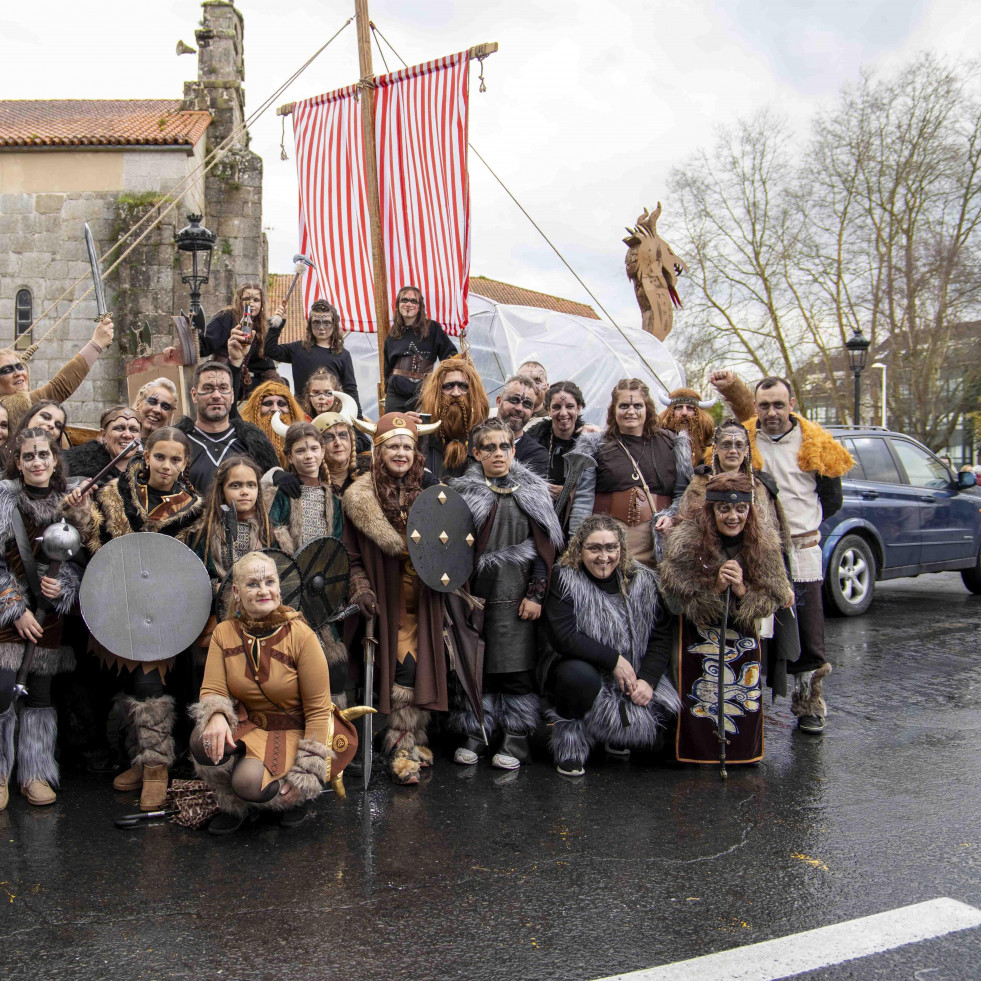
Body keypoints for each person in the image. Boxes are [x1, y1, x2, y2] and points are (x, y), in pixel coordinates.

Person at [711, 372, 852, 733]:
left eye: (778, 404)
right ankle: (748, 700)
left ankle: (809, 703)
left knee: (807, 629)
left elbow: (832, 499)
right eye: (764, 406)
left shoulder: (816, 443)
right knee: (759, 626)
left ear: (792, 405)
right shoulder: (746, 441)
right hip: (758, 549)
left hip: (802, 549)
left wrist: (801, 524)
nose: (771, 412)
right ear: (755, 408)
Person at [82, 427, 204, 810]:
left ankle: (156, 767)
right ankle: (139, 758)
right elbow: (94, 546)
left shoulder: (194, 508)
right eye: (160, 457)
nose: (166, 466)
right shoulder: (114, 496)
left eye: (175, 459)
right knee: (124, 686)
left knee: (149, 686)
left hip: (164, 612)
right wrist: (79, 511)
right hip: (118, 606)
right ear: (146, 456)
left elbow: (193, 567)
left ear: (185, 464)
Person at [189, 551, 338, 834]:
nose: (263, 590)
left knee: (248, 782)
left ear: (279, 589)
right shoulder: (224, 632)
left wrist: (306, 772)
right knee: (201, 740)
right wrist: (217, 715)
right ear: (236, 591)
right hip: (251, 723)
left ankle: (292, 799)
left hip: (291, 728)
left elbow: (319, 709)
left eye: (269, 581)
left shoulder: (302, 635)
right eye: (252, 584)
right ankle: (234, 805)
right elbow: (213, 687)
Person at [450, 419, 564, 770]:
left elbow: (546, 551)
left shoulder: (532, 492)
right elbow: (451, 549)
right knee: (479, 666)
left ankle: (515, 738)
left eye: (504, 447)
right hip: (477, 597)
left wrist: (537, 594)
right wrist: (461, 596)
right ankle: (477, 730)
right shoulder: (463, 494)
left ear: (514, 450)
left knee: (515, 670)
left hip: (519, 597)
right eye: (489, 448)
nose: (498, 453)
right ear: (476, 453)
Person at [659, 472, 794, 765]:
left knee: (740, 695)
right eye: (724, 509)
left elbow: (773, 597)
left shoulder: (765, 541)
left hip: (743, 641)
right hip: (697, 639)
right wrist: (715, 588)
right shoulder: (686, 540)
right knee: (702, 699)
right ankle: (698, 754)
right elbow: (674, 596)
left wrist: (743, 591)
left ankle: (741, 754)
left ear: (750, 509)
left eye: (740, 509)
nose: (733, 516)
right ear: (711, 510)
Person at [343, 412, 444, 785]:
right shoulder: (359, 497)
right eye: (393, 446)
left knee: (425, 668)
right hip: (389, 599)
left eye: (407, 446)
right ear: (378, 450)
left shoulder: (432, 493)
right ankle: (402, 750)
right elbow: (352, 557)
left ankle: (416, 737)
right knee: (405, 669)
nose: (400, 452)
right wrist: (362, 588)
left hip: (428, 597)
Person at [541, 515, 680, 776]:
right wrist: (613, 660)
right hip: (584, 667)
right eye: (594, 548)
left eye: (610, 548)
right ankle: (572, 746)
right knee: (576, 678)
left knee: (669, 718)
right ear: (579, 549)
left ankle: (617, 735)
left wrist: (647, 681)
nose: (603, 557)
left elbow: (661, 636)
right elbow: (564, 636)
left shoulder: (645, 582)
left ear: (621, 549)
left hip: (634, 672)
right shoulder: (564, 579)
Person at [0, 428, 86, 808]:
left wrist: (64, 585)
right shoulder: (3, 500)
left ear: (55, 461)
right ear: (18, 464)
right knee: (2, 692)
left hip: (49, 615)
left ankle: (34, 772)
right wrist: (14, 609)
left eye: (43, 456)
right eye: (28, 457)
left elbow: (84, 561)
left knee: (39, 694)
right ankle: (1, 773)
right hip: (6, 616)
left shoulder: (72, 503)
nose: (37, 462)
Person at [264, 422, 348, 704]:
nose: (308, 455)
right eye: (300, 450)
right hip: (290, 590)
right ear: (289, 456)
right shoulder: (284, 493)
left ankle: (335, 729)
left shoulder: (332, 497)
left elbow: (335, 544)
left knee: (334, 664)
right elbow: (273, 530)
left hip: (323, 591)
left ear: (323, 451)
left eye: (314, 448)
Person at [568, 378, 692, 567]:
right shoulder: (596, 446)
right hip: (605, 555)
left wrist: (673, 517)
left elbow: (684, 495)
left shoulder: (671, 444)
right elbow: (583, 501)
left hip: (658, 551)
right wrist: (577, 547)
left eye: (637, 405)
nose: (631, 411)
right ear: (613, 410)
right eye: (624, 405)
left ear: (648, 408)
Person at [175, 361, 278, 493]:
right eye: (207, 388)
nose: (217, 395)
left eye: (223, 388)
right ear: (194, 395)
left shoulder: (254, 444)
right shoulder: (178, 443)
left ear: (232, 395)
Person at [189, 454, 275, 611]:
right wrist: (220, 588)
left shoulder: (268, 531)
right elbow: (193, 581)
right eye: (235, 485)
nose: (244, 492)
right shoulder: (204, 534)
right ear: (222, 489)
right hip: (219, 613)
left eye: (251, 485)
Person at [0, 316, 114, 430]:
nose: (18, 373)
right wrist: (96, 344)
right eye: (7, 370)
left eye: (20, 367)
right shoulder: (14, 405)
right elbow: (59, 387)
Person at [264, 298, 363, 415]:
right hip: (303, 414)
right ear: (310, 325)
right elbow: (270, 350)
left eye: (326, 323)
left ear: (334, 324)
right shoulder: (298, 349)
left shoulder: (342, 355)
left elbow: (350, 389)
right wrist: (278, 322)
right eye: (316, 323)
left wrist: (357, 419)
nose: (321, 328)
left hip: (333, 415)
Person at [382, 285, 457, 413]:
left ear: (420, 306)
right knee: (393, 430)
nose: (408, 304)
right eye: (404, 300)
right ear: (398, 305)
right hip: (396, 394)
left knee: (425, 431)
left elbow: (451, 355)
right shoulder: (392, 335)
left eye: (413, 301)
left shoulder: (432, 329)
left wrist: (441, 382)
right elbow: (387, 368)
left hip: (424, 392)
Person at [416, 357, 489, 480]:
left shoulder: (485, 436)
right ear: (437, 393)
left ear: (473, 393)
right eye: (448, 386)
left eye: (463, 386)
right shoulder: (422, 433)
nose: (456, 393)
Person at [201, 283, 281, 395]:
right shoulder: (226, 317)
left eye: (256, 300)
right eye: (247, 299)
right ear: (239, 301)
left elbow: (263, 364)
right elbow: (205, 344)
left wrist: (273, 379)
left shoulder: (260, 328)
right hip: (218, 375)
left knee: (278, 386)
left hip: (239, 379)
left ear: (261, 304)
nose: (251, 303)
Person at [525, 381, 587, 502]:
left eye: (569, 406)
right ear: (548, 409)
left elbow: (593, 487)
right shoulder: (532, 441)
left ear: (579, 408)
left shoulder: (589, 443)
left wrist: (569, 493)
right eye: (556, 407)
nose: (563, 413)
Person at [63, 405, 143, 491]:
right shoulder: (74, 468)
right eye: (119, 428)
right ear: (103, 435)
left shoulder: (146, 473)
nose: (127, 435)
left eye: (134, 430)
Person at [238, 380, 305, 469]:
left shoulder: (304, 435)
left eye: (281, 404)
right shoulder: (241, 439)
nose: (275, 409)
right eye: (268, 403)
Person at [495, 375, 549, 478]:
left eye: (527, 404)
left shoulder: (537, 454)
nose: (519, 408)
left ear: (532, 411)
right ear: (499, 401)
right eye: (514, 400)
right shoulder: (474, 438)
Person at [656, 387, 718, 467]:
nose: (684, 413)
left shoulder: (710, 444)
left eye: (690, 408)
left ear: (698, 414)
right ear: (670, 413)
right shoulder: (658, 440)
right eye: (679, 407)